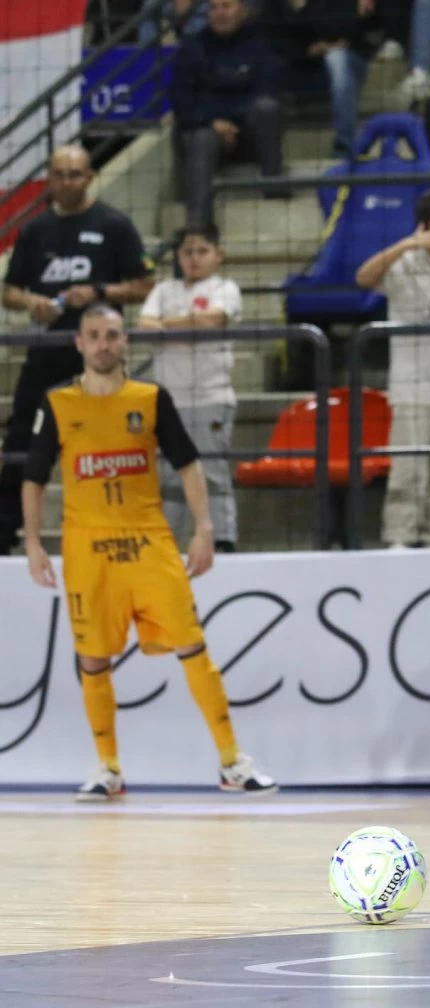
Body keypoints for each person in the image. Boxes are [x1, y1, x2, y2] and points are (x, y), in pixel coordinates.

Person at [21, 304, 276, 800]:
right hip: (86, 550)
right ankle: (108, 769)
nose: (103, 344)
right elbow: (33, 478)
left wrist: (204, 529)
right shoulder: (57, 405)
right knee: (93, 659)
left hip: (149, 544)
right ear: (79, 343)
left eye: (112, 335)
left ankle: (231, 762)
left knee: (191, 645)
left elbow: (188, 463)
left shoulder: (151, 398)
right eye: (93, 336)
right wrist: (34, 544)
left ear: (125, 340)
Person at [0, 146, 155, 556]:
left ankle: (111, 527)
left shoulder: (114, 224)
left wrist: (99, 292)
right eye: (59, 174)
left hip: (99, 357)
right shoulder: (35, 230)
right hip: (46, 350)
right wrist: (29, 302)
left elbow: (143, 285)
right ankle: (5, 530)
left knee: (104, 442)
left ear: (89, 178)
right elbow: (9, 290)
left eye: (75, 174)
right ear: (49, 178)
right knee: (22, 440)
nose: (67, 182)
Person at [355, 189, 430, 547]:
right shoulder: (403, 261)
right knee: (409, 470)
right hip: (412, 387)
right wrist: (410, 243)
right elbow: (363, 277)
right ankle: (399, 538)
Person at [137, 225, 241, 552]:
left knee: (211, 470)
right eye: (186, 252)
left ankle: (223, 540)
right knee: (169, 475)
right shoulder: (164, 290)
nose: (193, 259)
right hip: (168, 399)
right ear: (178, 257)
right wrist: (188, 323)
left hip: (211, 395)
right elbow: (144, 326)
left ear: (218, 254)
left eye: (201, 251)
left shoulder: (225, 288)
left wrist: (168, 325)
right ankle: (169, 543)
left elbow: (214, 319)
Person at [170, 0, 285, 227]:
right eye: (214, 7)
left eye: (227, 6)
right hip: (207, 133)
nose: (220, 13)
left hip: (249, 131)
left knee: (267, 108)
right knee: (201, 138)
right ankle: (199, 230)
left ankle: (274, 192)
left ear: (241, 9)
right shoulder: (193, 46)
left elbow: (268, 88)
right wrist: (213, 123)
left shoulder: (260, 43)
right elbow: (181, 100)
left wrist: (231, 122)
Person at [261, 0, 379, 157]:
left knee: (336, 58)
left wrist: (302, 7)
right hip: (298, 63)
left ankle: (345, 146)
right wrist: (307, 50)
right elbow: (271, 35)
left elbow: (343, 29)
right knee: (267, 60)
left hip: (344, 66)